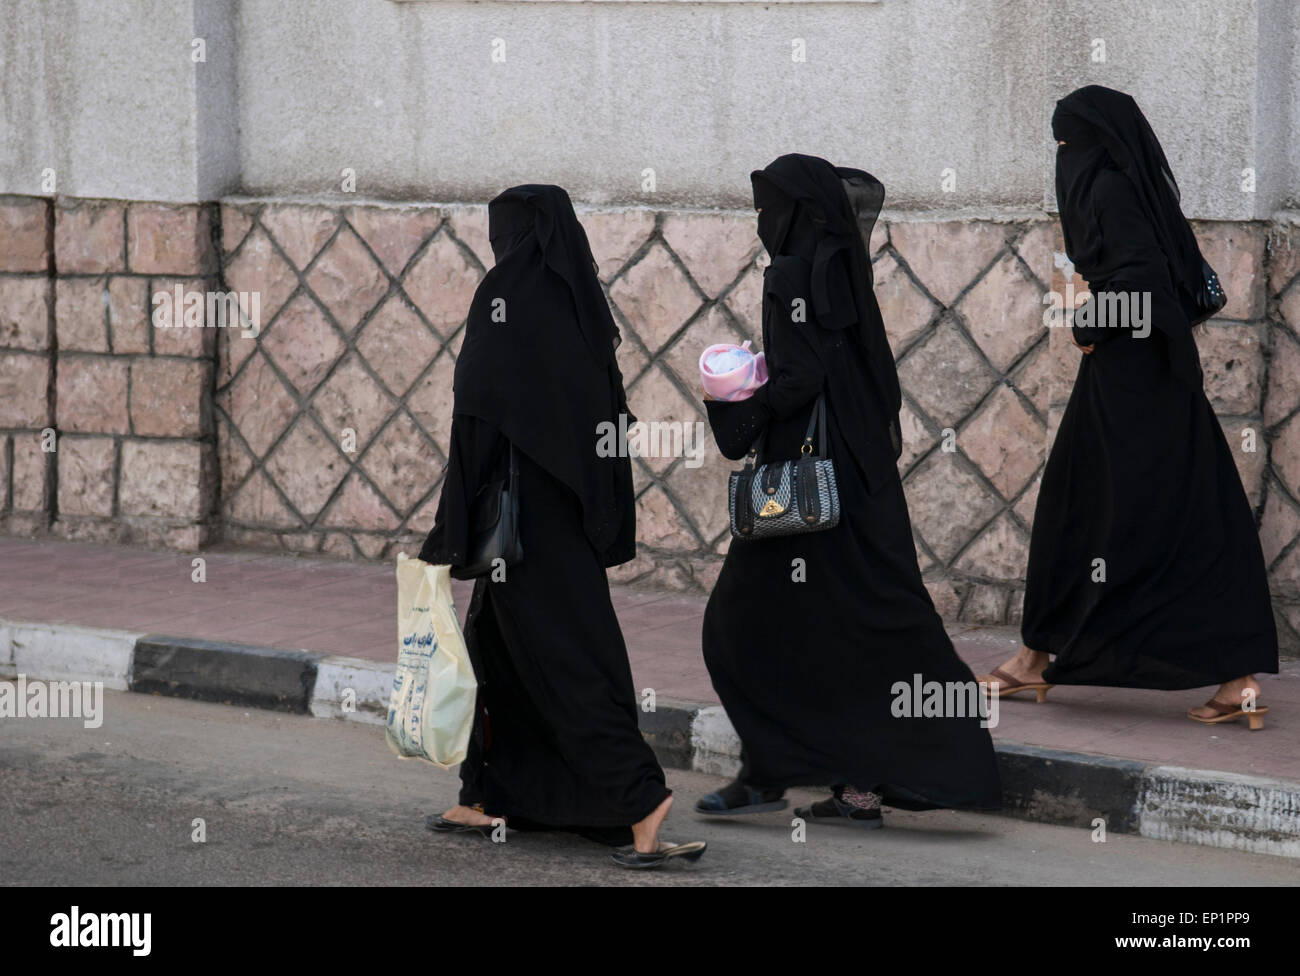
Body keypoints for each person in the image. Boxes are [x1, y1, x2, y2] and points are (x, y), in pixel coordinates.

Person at [696, 154, 1002, 827]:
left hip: (800, 494)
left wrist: (740, 397)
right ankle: (866, 782)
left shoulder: (789, 271)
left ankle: (769, 772)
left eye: (765, 207)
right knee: (871, 623)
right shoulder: (843, 268)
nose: (760, 221)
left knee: (736, 627)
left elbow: (801, 379)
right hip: (858, 484)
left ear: (794, 211)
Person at [418, 184, 705, 868]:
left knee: (566, 663)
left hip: (517, 529)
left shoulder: (503, 303)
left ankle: (639, 802)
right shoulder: (578, 304)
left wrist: (449, 526)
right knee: (497, 651)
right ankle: (489, 793)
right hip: (560, 523)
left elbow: (477, 420)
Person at [982, 86, 1278, 729]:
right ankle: (1237, 679)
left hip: (1133, 383)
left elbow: (1141, 286)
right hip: (1147, 377)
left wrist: (1089, 322)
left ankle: (1041, 659)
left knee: (1089, 509)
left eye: (1067, 145)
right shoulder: (1128, 185)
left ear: (1090, 147)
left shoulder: (1110, 194)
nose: (1062, 157)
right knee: (1180, 513)